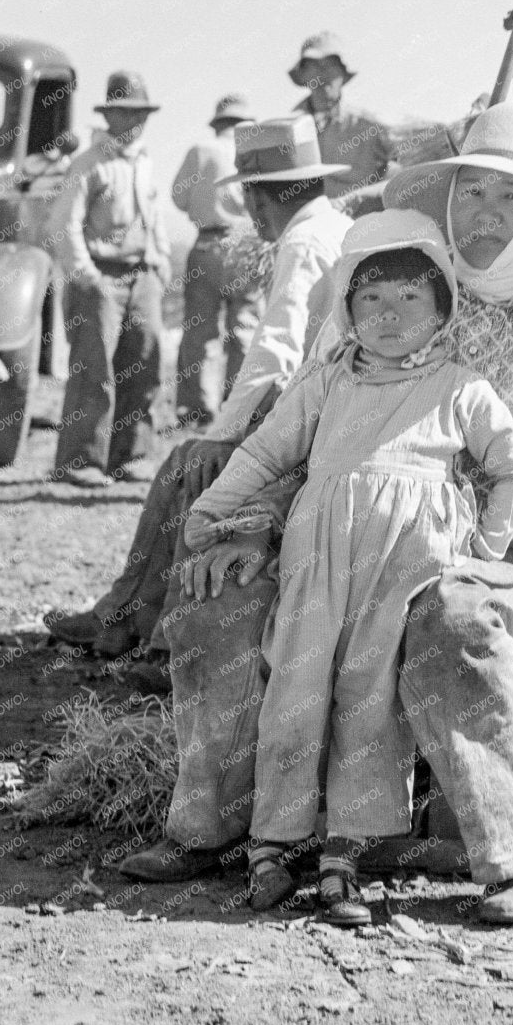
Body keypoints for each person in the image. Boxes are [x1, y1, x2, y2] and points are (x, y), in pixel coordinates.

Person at [120, 101, 513, 928]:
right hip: (332, 532)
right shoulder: (397, 275)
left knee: (455, 621)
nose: (487, 216)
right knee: (221, 603)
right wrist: (248, 526)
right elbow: (300, 423)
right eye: (473, 192)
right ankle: (217, 826)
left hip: (481, 544)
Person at [182, 211, 513, 924]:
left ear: (443, 312)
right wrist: (208, 515)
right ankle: (270, 850)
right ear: (346, 311)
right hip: (317, 563)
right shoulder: (325, 385)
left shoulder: (460, 387)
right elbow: (264, 454)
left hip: (409, 569)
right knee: (295, 686)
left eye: (411, 299)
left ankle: (344, 858)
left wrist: (482, 555)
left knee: (370, 700)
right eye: (371, 300)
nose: (390, 314)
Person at [42, 114, 350, 661]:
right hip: (331, 415)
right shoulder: (333, 229)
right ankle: (136, 620)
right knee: (189, 461)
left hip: (320, 426)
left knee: (193, 466)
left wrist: (227, 433)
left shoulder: (302, 244)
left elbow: (274, 350)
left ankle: (150, 635)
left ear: (257, 199)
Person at [51, 71, 169, 487]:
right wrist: (87, 275)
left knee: (145, 363)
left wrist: (160, 263)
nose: (134, 121)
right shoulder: (89, 164)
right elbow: (64, 224)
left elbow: (152, 217)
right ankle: (81, 459)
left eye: (141, 113)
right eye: (125, 112)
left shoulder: (144, 162)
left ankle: (131, 455)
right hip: (101, 276)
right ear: (110, 114)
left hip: (142, 275)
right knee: (93, 370)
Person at [171, 92, 261, 427]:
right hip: (246, 244)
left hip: (208, 243)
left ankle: (199, 408)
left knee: (200, 330)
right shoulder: (255, 152)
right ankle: (240, 406)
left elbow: (179, 198)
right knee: (246, 328)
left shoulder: (201, 151)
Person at [289, 32, 394, 197]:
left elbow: (404, 176)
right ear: (303, 74)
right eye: (313, 66)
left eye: (330, 65)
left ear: (343, 73)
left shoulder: (369, 126)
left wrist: (357, 197)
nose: (322, 74)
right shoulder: (289, 128)